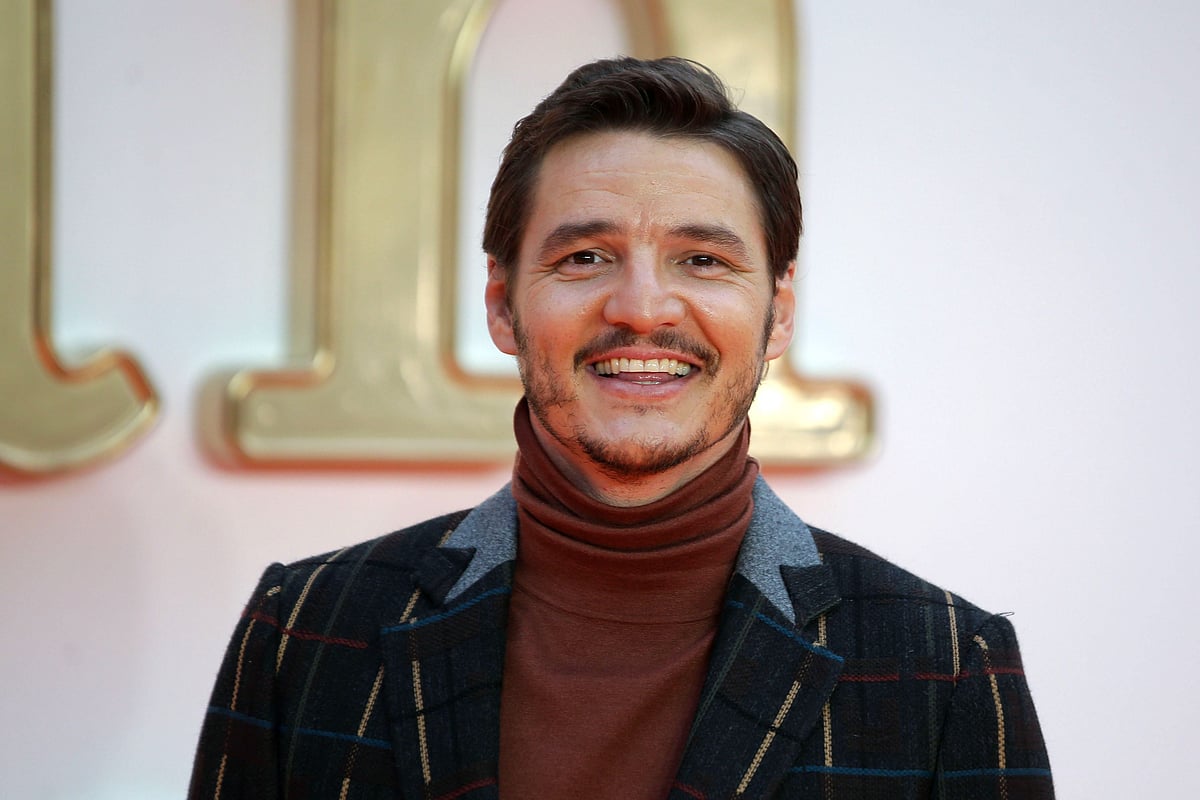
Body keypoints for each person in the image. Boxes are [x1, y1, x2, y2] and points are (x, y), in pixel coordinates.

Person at [189, 57, 1053, 799]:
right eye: (585, 258)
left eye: (702, 260)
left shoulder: (945, 665)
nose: (642, 308)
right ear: (503, 305)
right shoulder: (304, 629)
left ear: (779, 313)